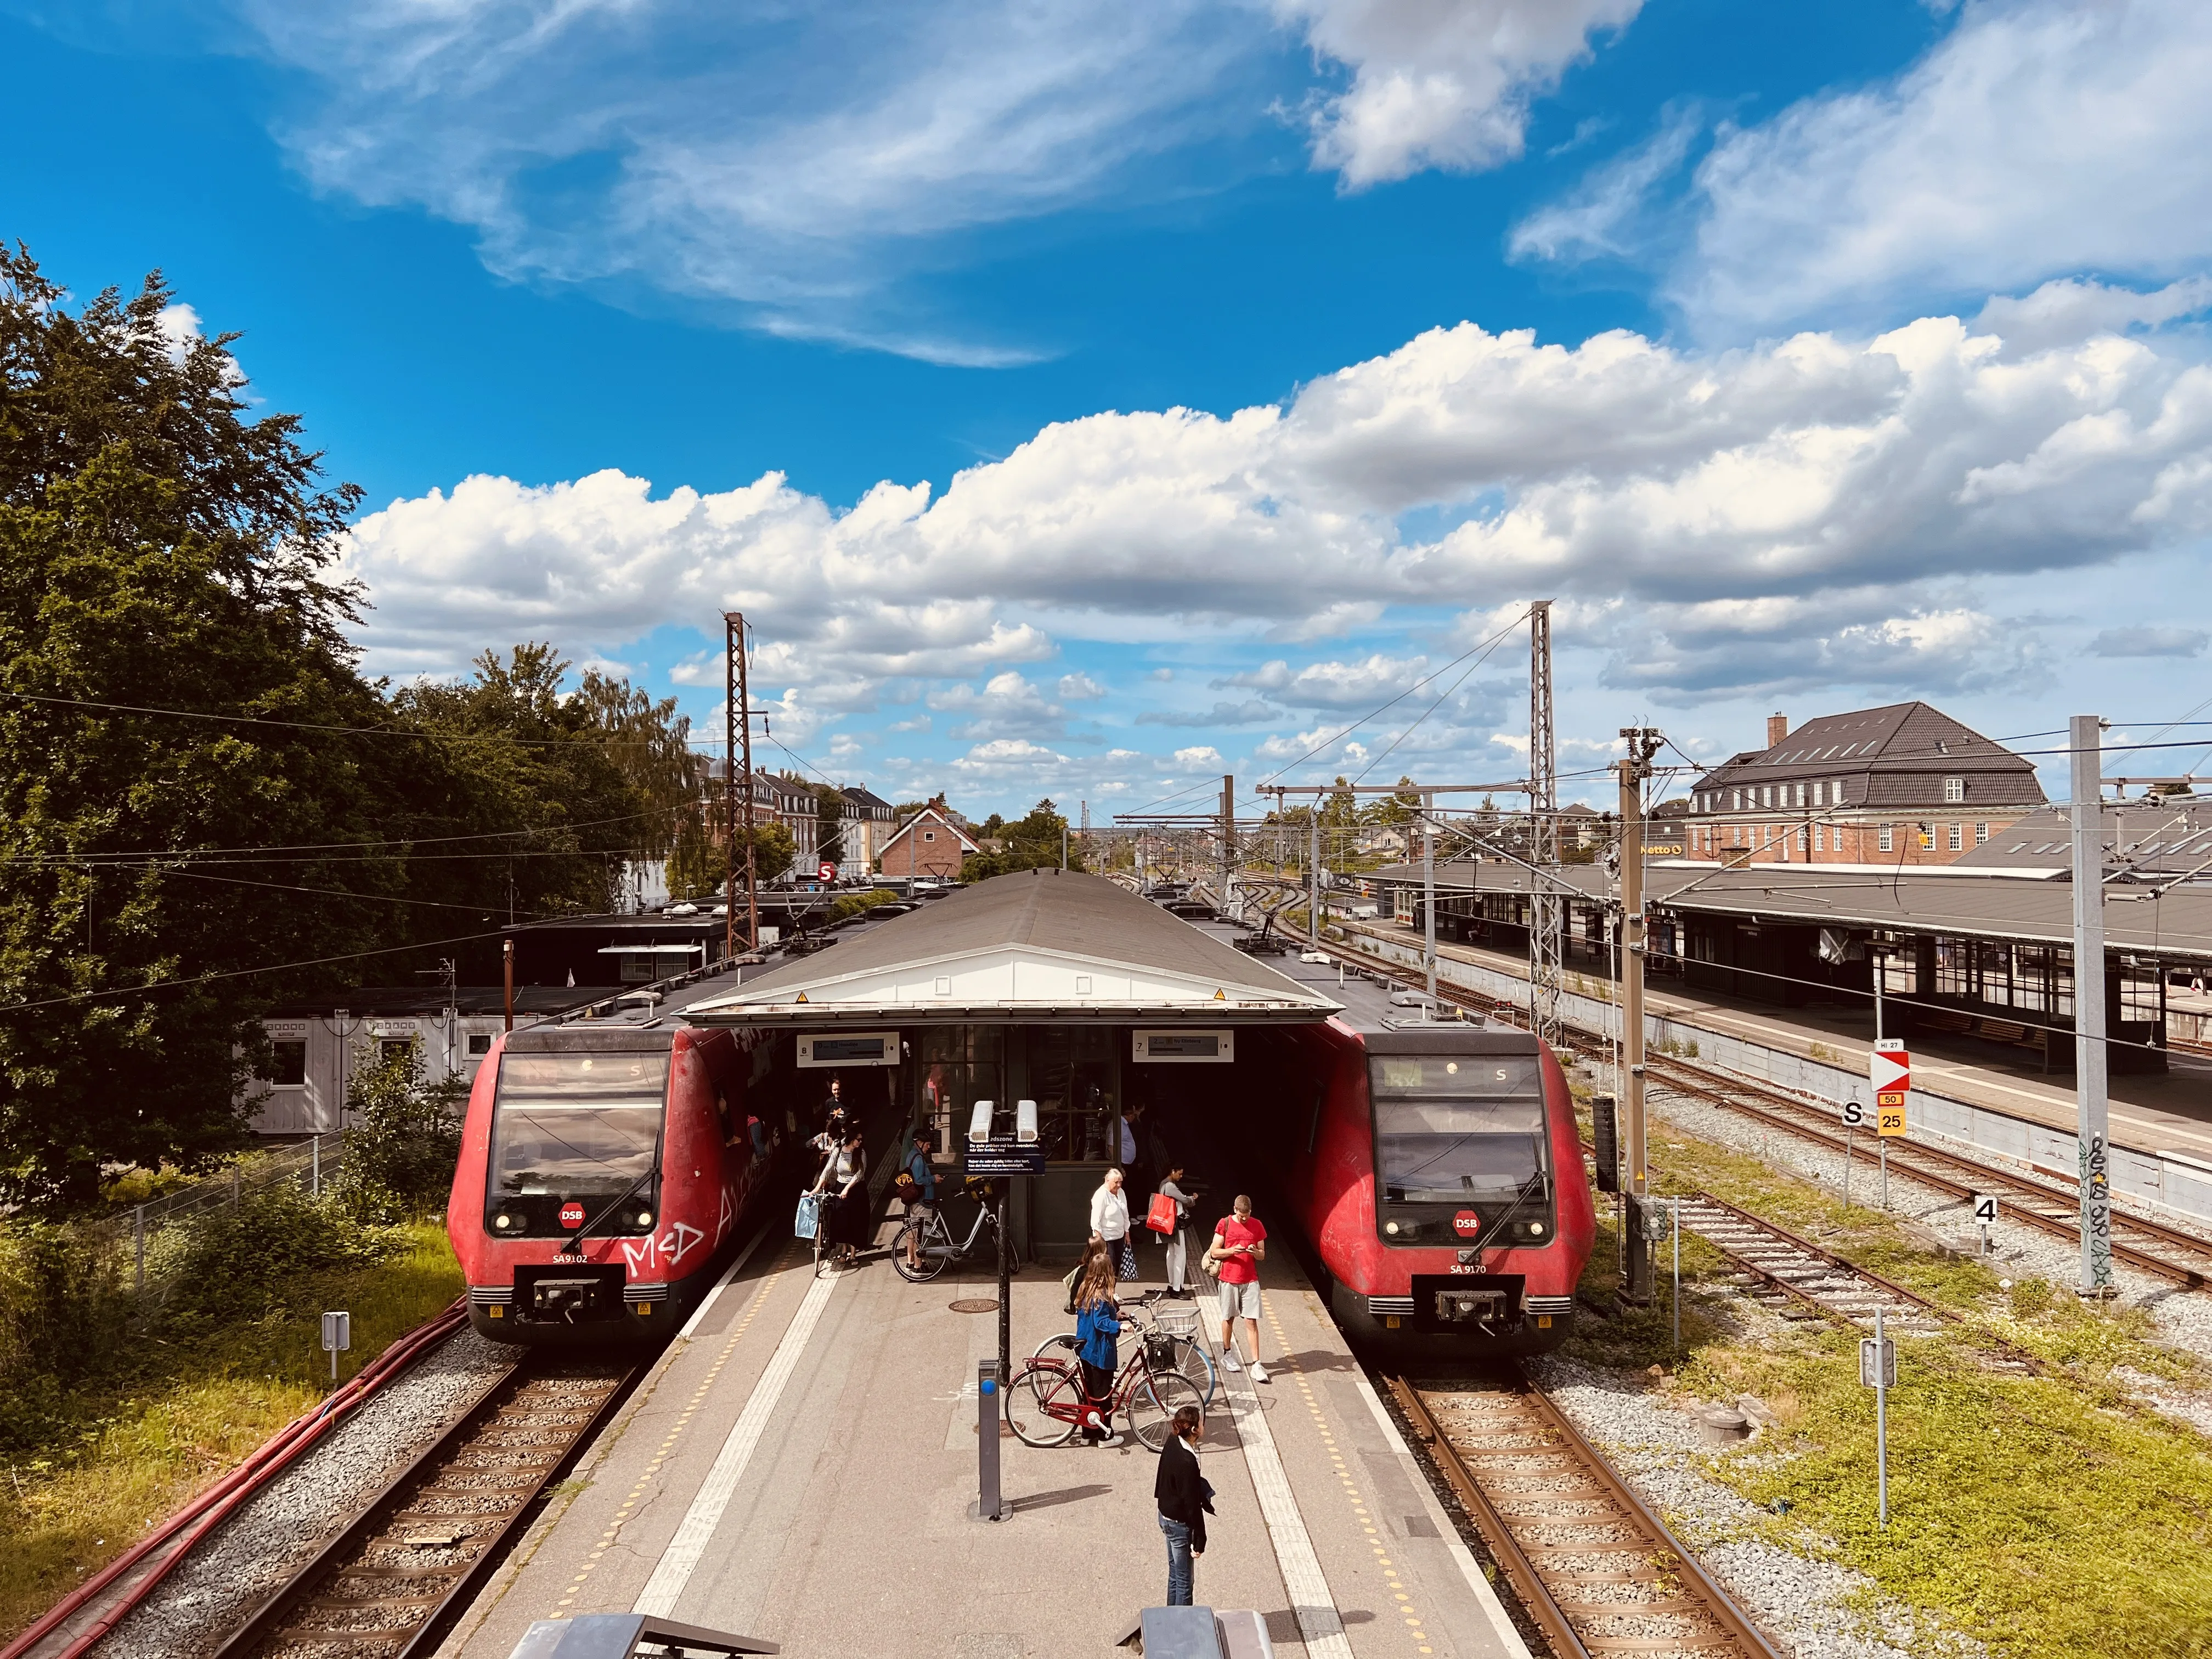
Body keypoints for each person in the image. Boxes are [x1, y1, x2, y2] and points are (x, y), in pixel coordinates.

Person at [1205, 1194, 1268, 1383]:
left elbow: (1263, 1255)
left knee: (1251, 1321)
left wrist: (1255, 1252)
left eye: (1247, 1215)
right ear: (1235, 1210)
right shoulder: (1224, 1224)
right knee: (1228, 1318)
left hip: (1250, 1280)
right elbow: (1215, 1251)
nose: (1244, 1219)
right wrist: (1232, 1251)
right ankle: (1227, 1354)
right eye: (1241, 1215)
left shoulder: (1257, 1225)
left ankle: (1256, 1364)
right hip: (1228, 1279)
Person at [1154, 1404, 1212, 1605]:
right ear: (1195, 1430)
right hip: (1178, 1525)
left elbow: (1163, 1473)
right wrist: (1200, 1539)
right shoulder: (1188, 1461)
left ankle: (1170, 1619)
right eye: (1202, 1422)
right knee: (1185, 1582)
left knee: (1175, 1574)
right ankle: (1181, 1630)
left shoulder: (1173, 1441)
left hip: (1166, 1515)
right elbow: (1192, 1506)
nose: (1204, 1424)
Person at [1073, 1256, 1125, 1448]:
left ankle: (1087, 1435)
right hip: (1099, 1352)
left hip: (1086, 1349)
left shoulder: (1087, 1289)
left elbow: (1093, 1316)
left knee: (1090, 1395)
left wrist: (1116, 1314)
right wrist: (1119, 1325)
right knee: (1104, 1397)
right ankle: (1105, 1437)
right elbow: (1100, 1322)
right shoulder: (1102, 1295)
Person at [813, 1125, 869, 1267]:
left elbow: (860, 1174)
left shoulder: (861, 1153)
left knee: (855, 1222)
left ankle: (854, 1253)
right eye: (859, 1139)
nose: (861, 1142)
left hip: (856, 1191)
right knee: (842, 1221)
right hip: (840, 1188)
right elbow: (828, 1169)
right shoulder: (838, 1151)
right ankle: (844, 1251)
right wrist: (817, 1188)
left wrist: (847, 1189)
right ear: (851, 1139)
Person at [899, 1130, 939, 1273]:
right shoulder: (918, 1159)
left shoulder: (911, 1155)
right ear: (920, 1143)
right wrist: (934, 1179)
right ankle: (918, 1265)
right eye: (927, 1144)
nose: (929, 1147)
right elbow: (919, 1180)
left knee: (913, 1233)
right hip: (922, 1202)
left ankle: (910, 1262)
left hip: (914, 1201)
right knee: (920, 1235)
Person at [1156, 1164, 1196, 1298]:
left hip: (1166, 1224)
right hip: (1175, 1225)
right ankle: (1177, 1288)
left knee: (1171, 1253)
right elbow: (1184, 1200)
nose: (1181, 1176)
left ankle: (1172, 1284)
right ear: (1172, 1171)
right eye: (1179, 1173)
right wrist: (1193, 1199)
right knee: (1180, 1255)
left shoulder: (1163, 1184)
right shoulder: (1170, 1186)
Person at [1091, 1166, 1135, 1283]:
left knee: (1117, 1266)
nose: (1119, 1185)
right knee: (1110, 1266)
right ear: (1107, 1181)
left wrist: (1127, 1233)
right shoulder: (1101, 1195)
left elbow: (1126, 1214)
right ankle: (1107, 1293)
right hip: (1106, 1238)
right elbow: (1096, 1219)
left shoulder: (1121, 1193)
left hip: (1119, 1235)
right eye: (1116, 1182)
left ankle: (1112, 1292)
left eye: (1121, 1182)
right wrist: (1099, 1240)